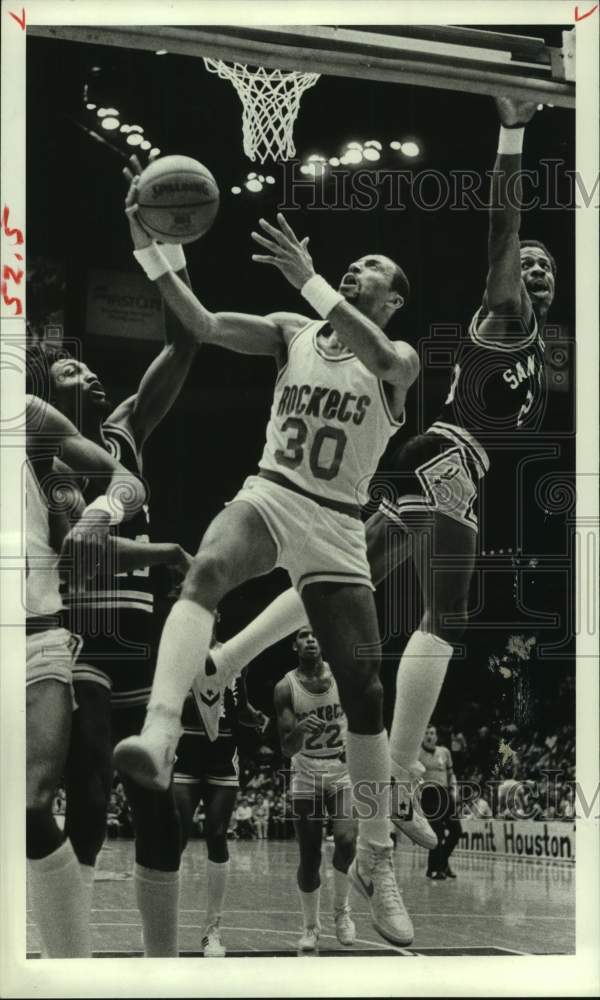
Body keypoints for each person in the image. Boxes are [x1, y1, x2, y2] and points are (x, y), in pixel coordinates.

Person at [184, 93, 555, 853]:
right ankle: (403, 765)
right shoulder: (508, 310)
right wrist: (512, 133)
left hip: (453, 464)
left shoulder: (540, 346)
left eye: (550, 268)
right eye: (531, 263)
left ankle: (223, 663)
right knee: (440, 610)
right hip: (444, 453)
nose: (537, 272)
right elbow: (503, 230)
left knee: (352, 572)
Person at [115, 194, 420, 945]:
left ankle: (376, 860)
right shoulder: (294, 332)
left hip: (338, 524)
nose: (355, 272)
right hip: (273, 495)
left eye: (370, 269)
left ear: (395, 298)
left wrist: (311, 277)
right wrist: (152, 247)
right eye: (349, 267)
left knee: (366, 687)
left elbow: (381, 356)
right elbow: (205, 325)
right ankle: (160, 732)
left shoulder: (401, 362)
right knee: (206, 571)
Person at [28, 153, 199, 957]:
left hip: (145, 638)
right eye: (71, 365)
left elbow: (184, 344)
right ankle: (76, 935)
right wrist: (151, 546)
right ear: (44, 384)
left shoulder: (125, 431)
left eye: (91, 364)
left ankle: (163, 959)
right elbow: (70, 552)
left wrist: (160, 244)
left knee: (157, 795)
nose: (88, 371)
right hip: (74, 635)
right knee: (91, 770)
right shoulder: (31, 456)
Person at [25, 393, 145, 957]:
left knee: (33, 803)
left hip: (38, 636)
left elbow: (127, 481)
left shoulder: (27, 415)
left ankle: (71, 969)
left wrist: (97, 515)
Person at [173, 619, 263, 958]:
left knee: (216, 833)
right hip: (186, 754)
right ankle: (163, 923)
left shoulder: (233, 658)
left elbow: (241, 708)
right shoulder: (179, 655)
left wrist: (254, 723)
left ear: (218, 621)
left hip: (223, 755)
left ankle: (212, 929)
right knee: (176, 835)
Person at [274, 626, 356, 951]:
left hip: (342, 771)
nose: (310, 639)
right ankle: (311, 926)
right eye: (304, 635)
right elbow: (286, 749)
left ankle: (342, 912)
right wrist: (299, 734)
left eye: (315, 635)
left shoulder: (343, 674)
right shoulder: (285, 687)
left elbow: (364, 714)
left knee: (347, 841)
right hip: (305, 773)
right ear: (294, 644)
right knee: (309, 859)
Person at [418, 725, 462, 880]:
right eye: (427, 733)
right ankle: (434, 869)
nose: (429, 736)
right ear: (422, 736)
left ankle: (442, 863)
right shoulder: (417, 753)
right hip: (428, 795)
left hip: (445, 794)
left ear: (436, 737)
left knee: (456, 830)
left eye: (432, 733)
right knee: (437, 833)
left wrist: (454, 791)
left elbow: (451, 774)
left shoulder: (445, 752)